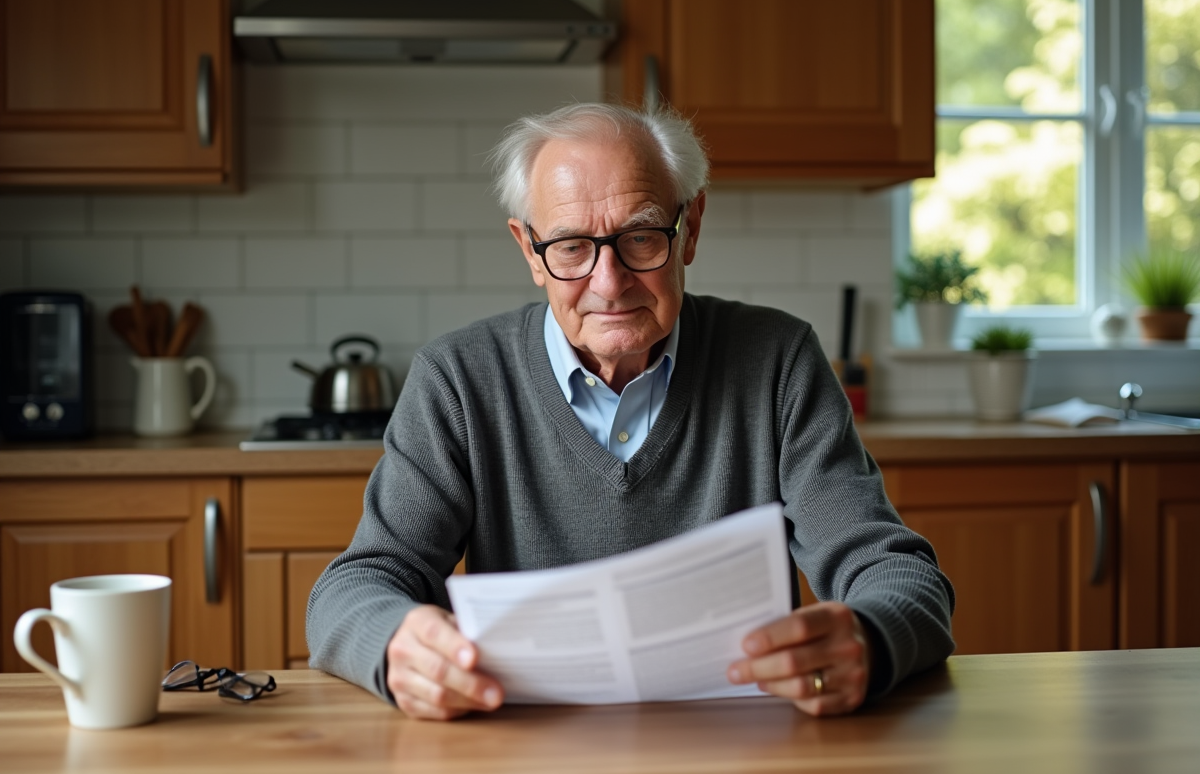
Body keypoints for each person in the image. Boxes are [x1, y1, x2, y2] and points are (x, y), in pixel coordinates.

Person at [307, 103, 955, 721]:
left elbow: (900, 577)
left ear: (690, 228)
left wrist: (868, 639)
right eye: (569, 248)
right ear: (530, 251)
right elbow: (354, 588)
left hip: (741, 745)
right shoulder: (458, 379)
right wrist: (396, 644)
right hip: (526, 747)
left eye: (641, 237)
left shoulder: (778, 361)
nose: (609, 282)